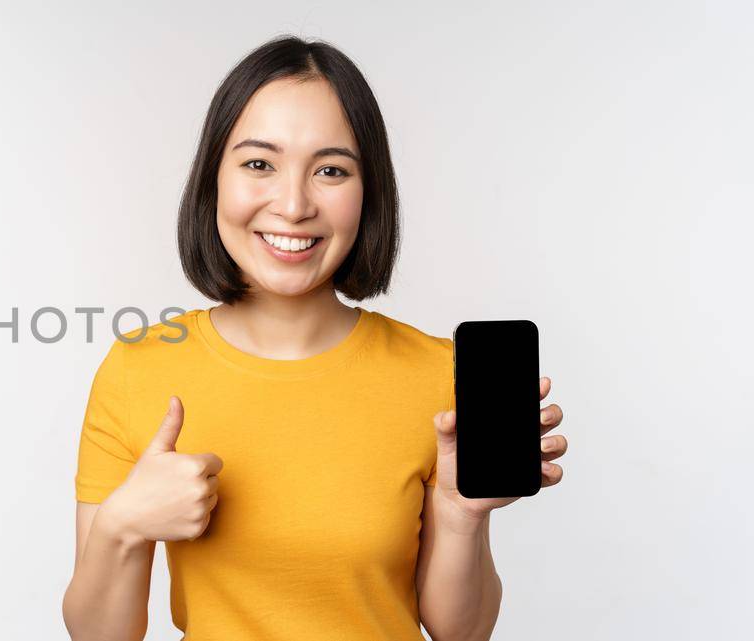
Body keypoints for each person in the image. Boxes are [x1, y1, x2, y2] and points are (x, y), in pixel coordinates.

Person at [60, 35, 569, 641]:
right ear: (212, 180)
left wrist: (460, 516)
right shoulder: (138, 369)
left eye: (331, 170)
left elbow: (462, 632)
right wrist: (122, 525)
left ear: (368, 191)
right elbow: (99, 635)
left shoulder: (436, 374)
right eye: (258, 164)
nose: (295, 204)